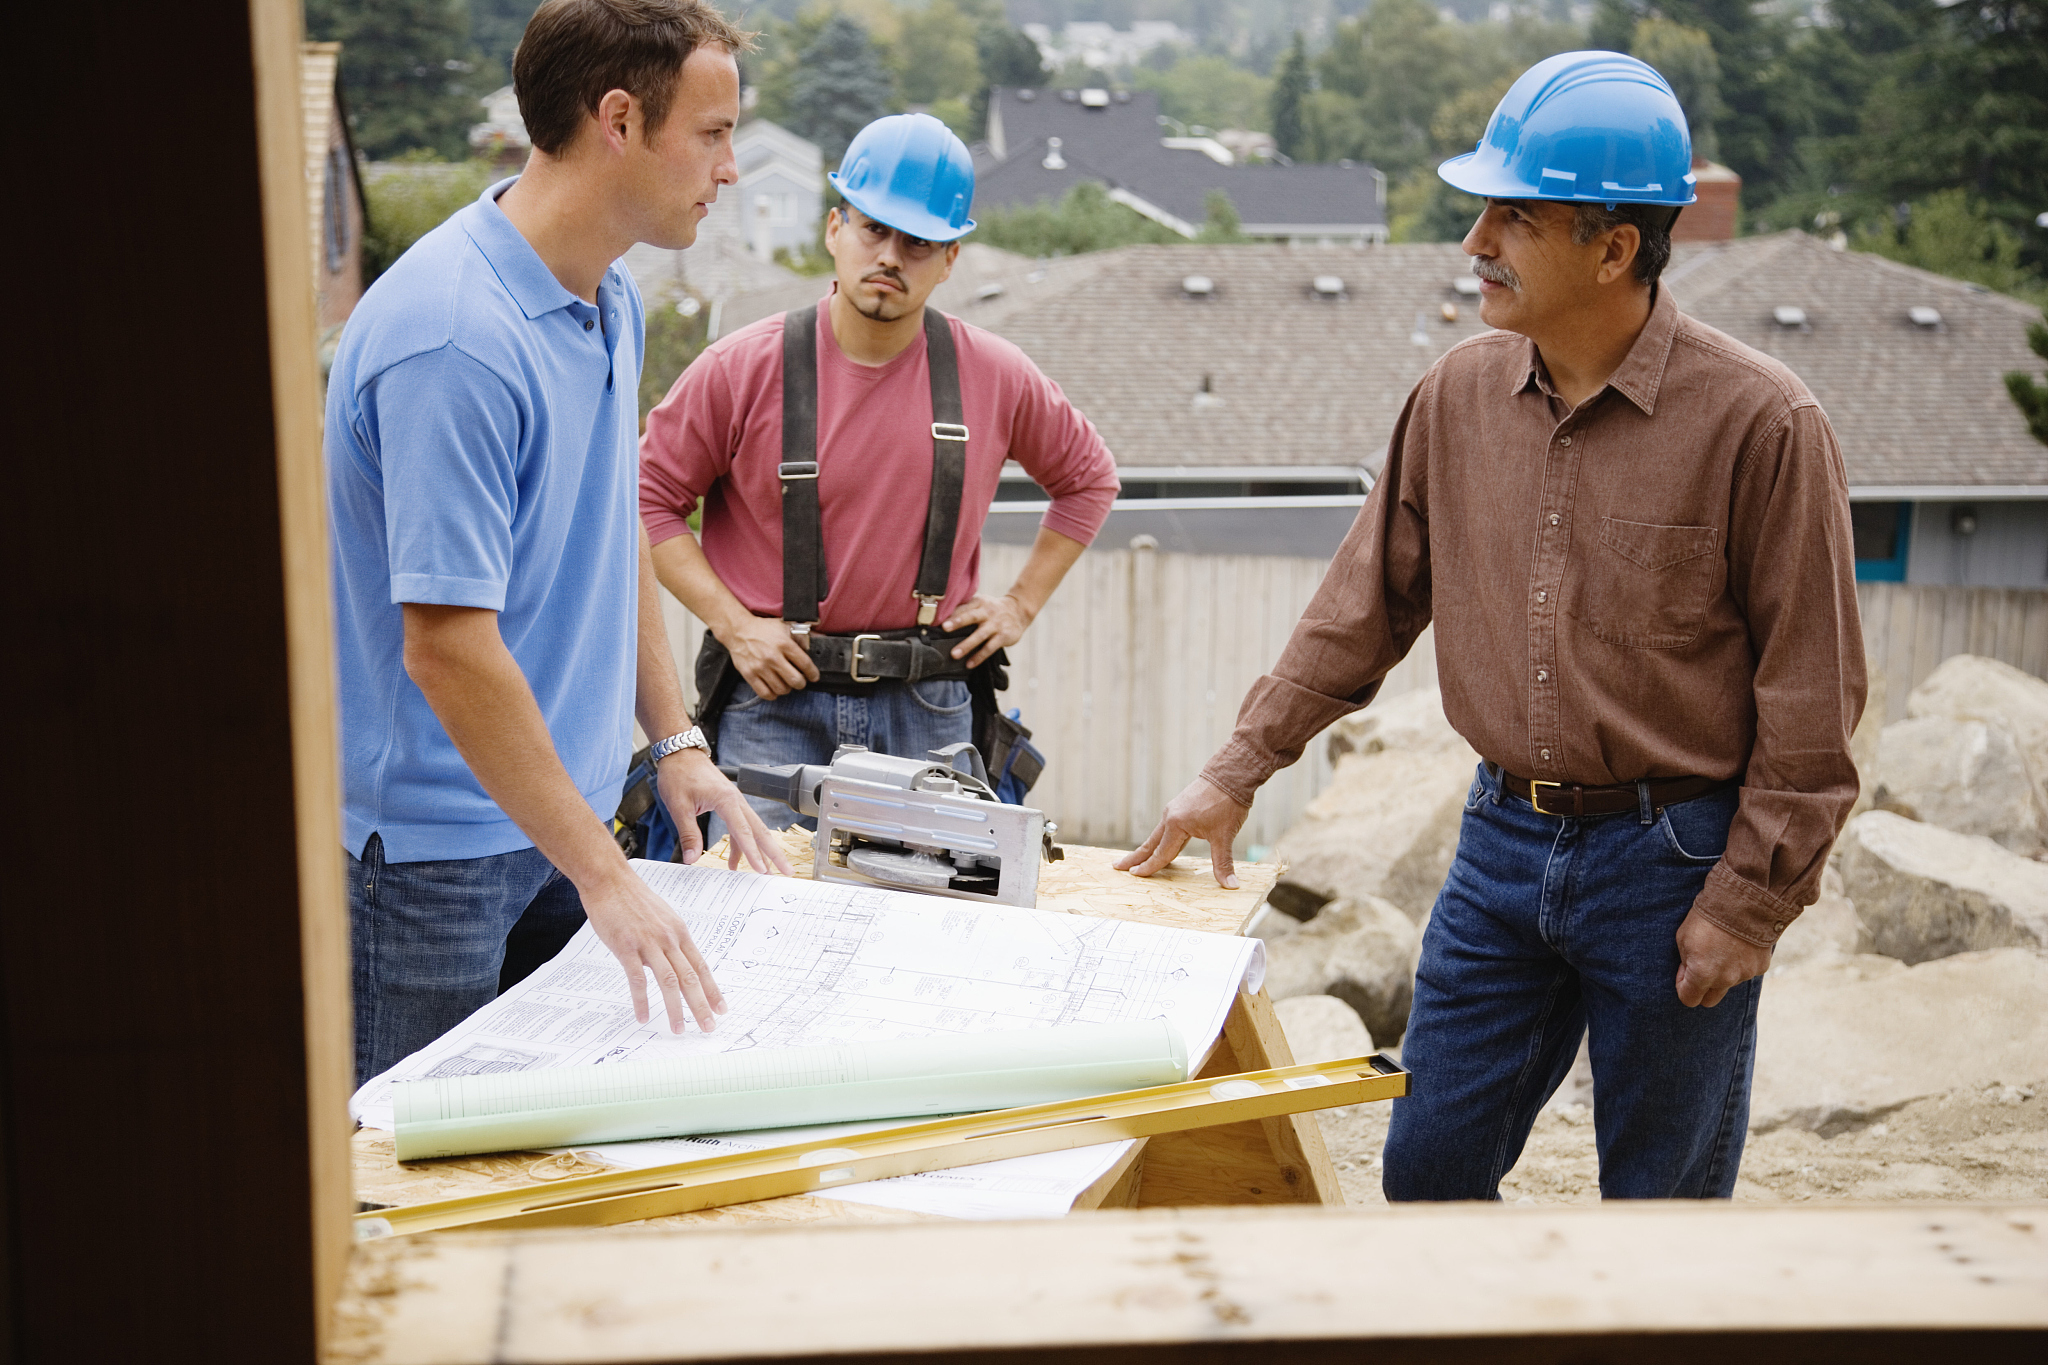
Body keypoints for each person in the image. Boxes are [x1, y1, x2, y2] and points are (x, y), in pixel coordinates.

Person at [1118, 51, 1865, 1200]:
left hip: (1672, 863)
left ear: (1613, 248)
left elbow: (1810, 698)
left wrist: (1748, 902)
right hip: (1499, 844)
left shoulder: (1762, 424)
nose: (1474, 243)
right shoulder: (1454, 397)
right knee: (1425, 1174)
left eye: (1512, 217)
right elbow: (1358, 611)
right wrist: (1236, 770)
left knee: (1662, 1213)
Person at [327, 0, 791, 1088]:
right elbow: (447, 647)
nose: (729, 170)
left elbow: (609, 529)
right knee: (412, 1166)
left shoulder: (609, 293)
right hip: (436, 863)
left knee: (549, 1157)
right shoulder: (453, 340)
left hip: (566, 825)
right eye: (712, 135)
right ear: (618, 121)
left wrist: (673, 742)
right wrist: (607, 876)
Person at [640, 113, 1120, 830]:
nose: (891, 256)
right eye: (874, 230)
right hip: (771, 705)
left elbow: (1089, 481)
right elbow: (647, 500)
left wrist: (1019, 606)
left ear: (950, 259)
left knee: (934, 903)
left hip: (930, 709)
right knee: (760, 899)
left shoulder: (995, 375)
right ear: (835, 229)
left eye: (918, 242)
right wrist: (734, 625)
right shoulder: (740, 368)